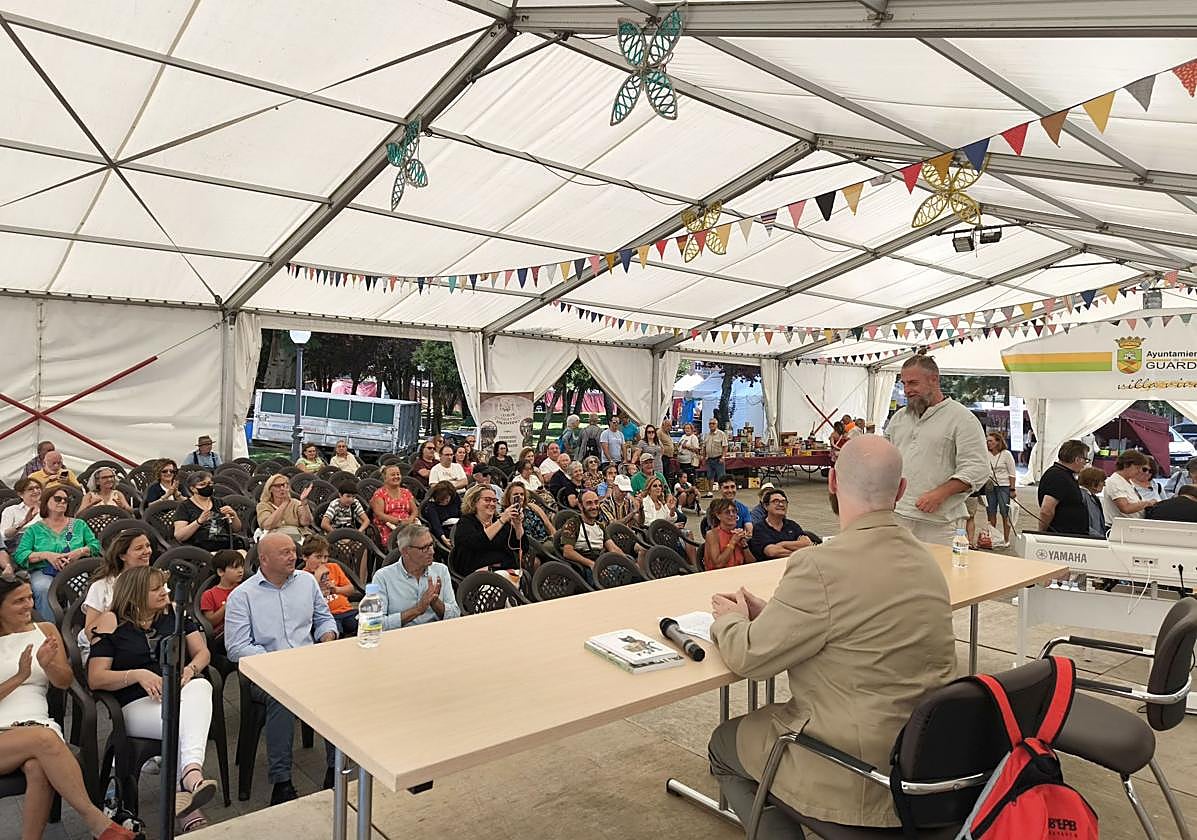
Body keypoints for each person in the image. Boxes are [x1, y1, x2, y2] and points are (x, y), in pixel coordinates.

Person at [707, 436, 956, 832]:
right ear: (903, 489)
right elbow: (854, 627)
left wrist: (730, 620)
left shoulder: (818, 565)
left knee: (723, 743)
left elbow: (750, 659)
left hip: (855, 768)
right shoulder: (925, 560)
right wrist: (773, 614)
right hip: (929, 755)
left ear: (833, 482)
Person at [0, 572, 137, 840]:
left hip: (35, 726)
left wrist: (49, 664)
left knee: (38, 766)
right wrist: (19, 676)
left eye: (30, 597)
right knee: (46, 740)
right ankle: (98, 822)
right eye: (19, 601)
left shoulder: (46, 631)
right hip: (10, 734)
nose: (29, 605)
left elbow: (65, 682)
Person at [87, 566, 217, 827]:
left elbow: (203, 653)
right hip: (134, 703)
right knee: (183, 725)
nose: (165, 592)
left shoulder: (173, 614)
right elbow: (95, 677)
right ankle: (190, 782)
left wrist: (190, 670)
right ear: (135, 594)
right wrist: (136, 675)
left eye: (164, 587)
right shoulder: (111, 622)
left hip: (176, 693)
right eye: (157, 588)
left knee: (202, 687)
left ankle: (189, 779)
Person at [225, 533, 339, 801]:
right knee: (283, 699)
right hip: (268, 673)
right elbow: (236, 647)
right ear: (264, 559)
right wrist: (277, 662)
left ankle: (337, 769)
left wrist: (327, 636)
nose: (293, 557)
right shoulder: (243, 595)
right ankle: (282, 783)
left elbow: (324, 618)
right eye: (285, 552)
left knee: (340, 689)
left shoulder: (307, 583)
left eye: (293, 551)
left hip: (309, 665)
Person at [884, 355, 988, 545]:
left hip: (941, 524)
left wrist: (940, 494)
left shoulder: (962, 418)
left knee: (942, 574)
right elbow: (885, 458)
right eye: (904, 384)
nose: (907, 390)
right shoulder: (899, 418)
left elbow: (978, 468)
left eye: (913, 383)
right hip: (898, 516)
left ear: (934, 379)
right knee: (898, 573)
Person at [13, 488, 100, 620]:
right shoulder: (34, 529)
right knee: (43, 588)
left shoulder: (79, 525)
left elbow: (96, 545)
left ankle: (79, 627)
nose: (62, 502)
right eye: (57, 499)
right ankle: (51, 632)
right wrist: (46, 555)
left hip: (74, 569)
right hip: (43, 570)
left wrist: (80, 551)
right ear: (46, 502)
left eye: (66, 500)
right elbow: (20, 554)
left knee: (83, 585)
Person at [80, 530, 154, 654]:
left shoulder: (155, 580)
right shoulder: (101, 586)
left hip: (146, 643)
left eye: (148, 545)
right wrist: (117, 605)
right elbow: (90, 631)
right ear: (122, 556)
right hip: (107, 647)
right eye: (139, 548)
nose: (147, 551)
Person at [373, 524, 461, 628]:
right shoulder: (383, 577)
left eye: (431, 545)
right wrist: (417, 610)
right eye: (424, 548)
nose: (432, 552)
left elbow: (456, 615)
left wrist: (436, 603)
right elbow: (375, 624)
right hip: (401, 637)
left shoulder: (441, 570)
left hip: (435, 632)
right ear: (405, 551)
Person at [448, 485, 523, 577]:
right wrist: (502, 521)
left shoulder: (498, 521)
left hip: (504, 570)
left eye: (494, 501)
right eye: (487, 500)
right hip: (475, 574)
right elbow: (476, 542)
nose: (492, 504)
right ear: (474, 502)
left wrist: (517, 524)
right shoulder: (466, 522)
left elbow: (521, 545)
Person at [300, 537, 358, 637]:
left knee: (366, 624)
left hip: (347, 610)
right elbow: (304, 602)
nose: (323, 561)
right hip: (328, 616)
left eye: (325, 557)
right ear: (305, 557)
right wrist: (317, 578)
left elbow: (351, 590)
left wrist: (336, 589)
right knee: (334, 633)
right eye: (318, 557)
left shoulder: (333, 567)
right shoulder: (303, 576)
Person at [557, 491, 622, 578]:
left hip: (601, 562)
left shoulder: (600, 526)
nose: (594, 507)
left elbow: (613, 548)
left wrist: (627, 562)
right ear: (580, 506)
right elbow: (567, 552)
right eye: (589, 503)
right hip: (584, 567)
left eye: (596, 502)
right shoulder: (573, 524)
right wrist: (590, 563)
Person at [173, 472, 243, 552]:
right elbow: (179, 535)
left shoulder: (219, 502)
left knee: (242, 554)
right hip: (201, 549)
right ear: (193, 488)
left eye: (210, 483)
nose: (208, 487)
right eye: (202, 484)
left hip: (225, 544)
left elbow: (237, 529)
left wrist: (234, 515)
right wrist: (198, 522)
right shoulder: (185, 506)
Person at [1037, 440, 1091, 536]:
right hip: (1061, 535)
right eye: (1085, 460)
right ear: (1077, 459)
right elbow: (1046, 510)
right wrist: (1042, 533)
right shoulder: (1057, 476)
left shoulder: (1065, 474)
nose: (1085, 464)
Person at [748, 488, 812, 561]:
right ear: (766, 506)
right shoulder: (759, 528)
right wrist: (799, 551)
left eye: (784, 501)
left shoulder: (792, 525)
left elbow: (807, 544)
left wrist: (782, 544)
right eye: (776, 501)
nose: (781, 504)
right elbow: (772, 552)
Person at [199, 550, 245, 651]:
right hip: (223, 638)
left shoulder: (244, 589)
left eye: (242, 566)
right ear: (221, 572)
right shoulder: (209, 594)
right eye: (235, 567)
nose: (241, 570)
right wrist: (228, 605)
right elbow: (210, 622)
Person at [1101, 449, 1158, 524]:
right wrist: (1147, 503)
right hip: (1120, 528)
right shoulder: (1115, 482)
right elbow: (1125, 508)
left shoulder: (1129, 482)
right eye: (1137, 468)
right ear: (1126, 465)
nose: (1140, 471)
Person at [370, 465, 418, 549]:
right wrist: (399, 522)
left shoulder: (406, 492)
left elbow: (415, 510)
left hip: (408, 525)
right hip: (388, 526)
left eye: (398, 474)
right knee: (406, 543)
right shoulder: (380, 493)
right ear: (385, 478)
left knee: (420, 540)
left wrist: (410, 519)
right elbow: (379, 514)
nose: (396, 477)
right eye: (393, 475)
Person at [256, 474, 314, 543]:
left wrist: (304, 503)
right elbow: (267, 525)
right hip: (274, 539)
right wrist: (285, 503)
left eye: (284, 485)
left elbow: (306, 522)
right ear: (270, 489)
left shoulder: (295, 503)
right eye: (278, 486)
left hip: (297, 538)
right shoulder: (263, 505)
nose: (282, 488)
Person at [984, 431, 1018, 547]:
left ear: (998, 442)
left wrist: (1012, 489)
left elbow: (1012, 473)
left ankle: (1006, 539)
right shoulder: (986, 454)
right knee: (991, 512)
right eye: (987, 441)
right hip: (989, 486)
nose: (988, 443)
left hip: (1004, 486)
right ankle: (993, 537)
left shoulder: (1006, 454)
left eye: (991, 441)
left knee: (1005, 512)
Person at [503, 482, 554, 549]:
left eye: (522, 494)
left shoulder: (532, 507)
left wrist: (555, 538)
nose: (520, 497)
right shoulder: (506, 514)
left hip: (546, 540)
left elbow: (548, 525)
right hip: (530, 547)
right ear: (508, 497)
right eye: (516, 494)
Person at [705, 498, 752, 569]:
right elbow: (718, 564)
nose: (732, 514)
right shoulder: (712, 534)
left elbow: (752, 563)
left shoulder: (738, 533)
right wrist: (732, 542)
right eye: (727, 512)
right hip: (719, 576)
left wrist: (744, 545)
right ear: (718, 516)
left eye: (734, 511)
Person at [2, 478, 42, 554]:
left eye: (38, 488)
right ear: (20, 494)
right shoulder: (11, 510)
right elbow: (5, 535)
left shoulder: (50, 508)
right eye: (31, 489)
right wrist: (23, 522)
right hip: (20, 543)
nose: (36, 491)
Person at [421, 481, 462, 546]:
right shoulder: (431, 505)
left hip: (459, 524)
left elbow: (462, 512)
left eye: (446, 498)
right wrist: (444, 539)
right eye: (441, 500)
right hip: (445, 530)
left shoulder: (455, 497)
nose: (444, 501)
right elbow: (436, 525)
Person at [1077, 467, 1108, 538]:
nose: (1104, 485)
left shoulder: (1092, 497)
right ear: (1093, 483)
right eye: (1102, 481)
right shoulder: (1081, 496)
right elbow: (1083, 524)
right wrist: (1100, 537)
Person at [702, 417, 729, 493]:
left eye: (713, 423)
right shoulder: (706, 435)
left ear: (717, 425)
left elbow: (725, 446)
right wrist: (703, 458)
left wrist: (723, 457)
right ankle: (710, 492)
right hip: (710, 459)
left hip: (719, 459)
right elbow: (704, 447)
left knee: (722, 477)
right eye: (710, 424)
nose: (711, 425)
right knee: (709, 476)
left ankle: (724, 492)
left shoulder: (721, 434)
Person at [658, 418, 678, 482]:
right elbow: (657, 443)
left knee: (667, 473)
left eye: (670, 426)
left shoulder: (667, 433)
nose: (670, 427)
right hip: (663, 456)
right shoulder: (659, 432)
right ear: (663, 425)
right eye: (668, 426)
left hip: (668, 457)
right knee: (664, 473)